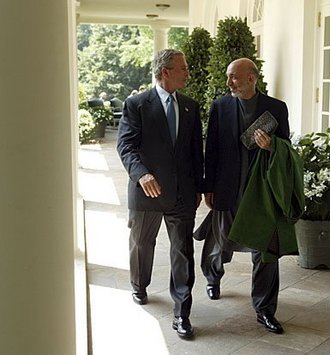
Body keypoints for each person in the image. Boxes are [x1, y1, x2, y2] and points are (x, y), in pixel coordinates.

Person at [117, 49, 203, 339]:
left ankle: (182, 314)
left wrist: (199, 188)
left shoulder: (191, 106)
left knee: (182, 251)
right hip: (147, 191)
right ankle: (139, 284)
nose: (187, 72)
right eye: (183, 68)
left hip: (182, 194)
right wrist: (142, 174)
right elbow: (126, 146)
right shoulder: (136, 104)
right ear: (165, 71)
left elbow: (195, 153)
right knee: (142, 243)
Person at [202, 57, 290, 334]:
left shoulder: (276, 108)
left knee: (266, 252)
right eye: (229, 77)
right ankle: (213, 277)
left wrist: (271, 146)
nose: (229, 83)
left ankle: (265, 309)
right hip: (228, 187)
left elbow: (286, 147)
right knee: (220, 243)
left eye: (234, 77)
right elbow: (212, 149)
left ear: (252, 78)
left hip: (261, 192)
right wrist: (209, 186)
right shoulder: (220, 106)